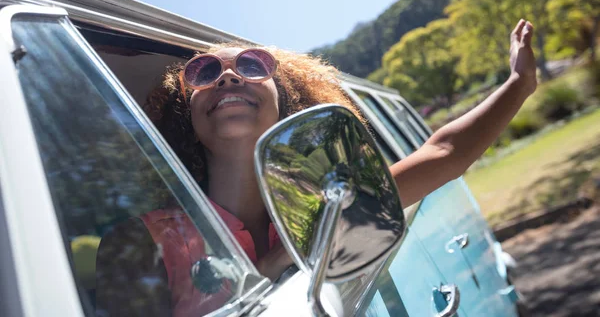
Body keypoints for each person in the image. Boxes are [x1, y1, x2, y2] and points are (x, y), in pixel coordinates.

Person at [96, 19, 537, 316]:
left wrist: (519, 85)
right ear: (184, 114)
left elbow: (445, 154)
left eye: (251, 66)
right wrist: (269, 268)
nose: (228, 77)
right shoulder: (140, 241)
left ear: (286, 102)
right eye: (204, 72)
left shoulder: (331, 200)